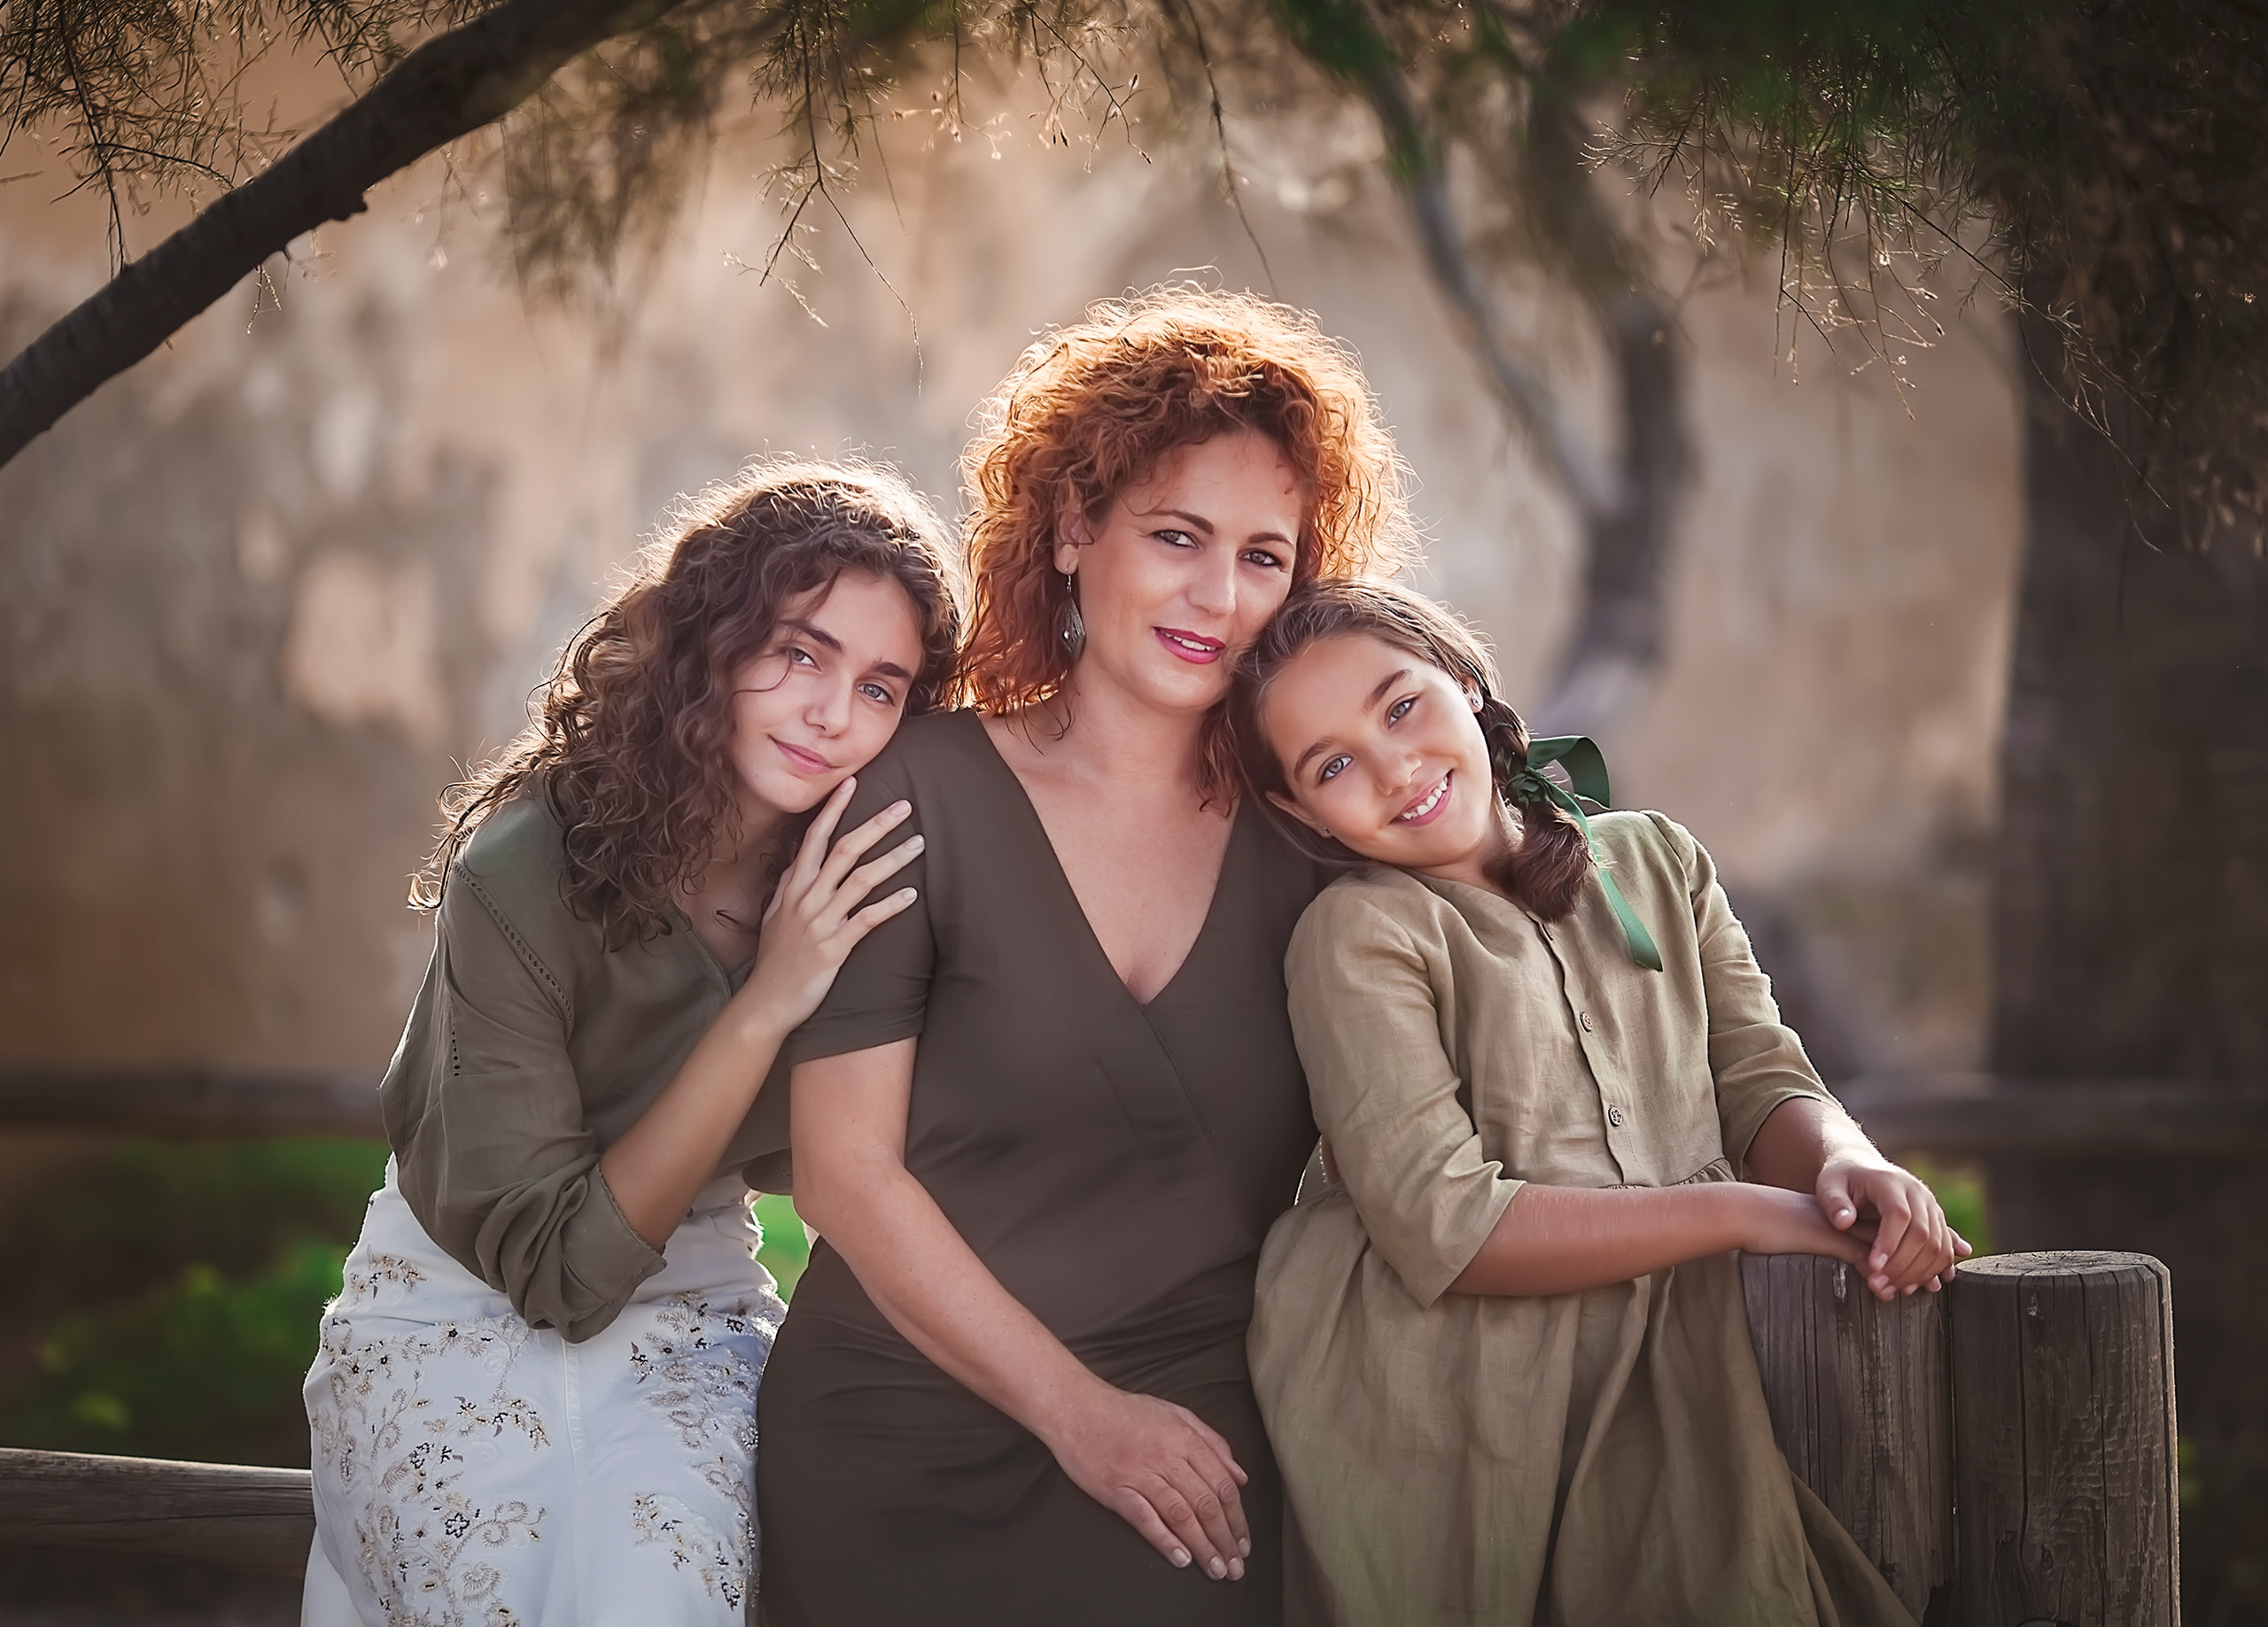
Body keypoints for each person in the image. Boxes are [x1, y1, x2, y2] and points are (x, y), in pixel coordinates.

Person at [755, 289, 1418, 1626]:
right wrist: (1080, 1416)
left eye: (1264, 557)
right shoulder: (917, 790)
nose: (1217, 597)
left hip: (1190, 1447)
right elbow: (840, 1172)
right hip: (894, 1432)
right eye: (1177, 537)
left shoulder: (1316, 836)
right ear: (1073, 529)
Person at [1228, 578, 1968, 1626]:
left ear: (1468, 683)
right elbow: (1450, 1226)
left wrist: (1844, 1162)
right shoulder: (1360, 934)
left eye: (1402, 707)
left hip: (1668, 1352)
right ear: (1299, 811)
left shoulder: (1657, 859)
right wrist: (1751, 1212)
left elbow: (1760, 1075)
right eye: (1333, 764)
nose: (1394, 768)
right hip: (1450, 1403)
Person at [299, 461, 964, 1627]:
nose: (829, 712)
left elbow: (866, 1160)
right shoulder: (521, 870)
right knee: (492, 1592)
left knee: (663, 1592)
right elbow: (559, 1277)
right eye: (798, 652)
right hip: (458, 1293)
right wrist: (768, 1000)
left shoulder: (860, 884)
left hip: (689, 1302)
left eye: (879, 686)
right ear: (707, 643)